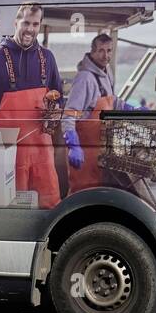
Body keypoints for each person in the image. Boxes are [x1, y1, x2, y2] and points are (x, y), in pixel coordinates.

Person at [0, 2, 64, 208]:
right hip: (6, 158)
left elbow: (59, 97)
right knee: (10, 210)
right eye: (26, 23)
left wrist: (57, 110)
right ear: (16, 23)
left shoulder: (48, 58)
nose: (30, 29)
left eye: (35, 24)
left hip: (42, 157)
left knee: (49, 208)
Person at [61, 32, 123, 193]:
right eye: (101, 50)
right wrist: (74, 145)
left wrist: (131, 109)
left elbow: (111, 100)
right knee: (81, 192)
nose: (105, 55)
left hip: (101, 148)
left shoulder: (107, 73)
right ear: (93, 51)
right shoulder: (85, 78)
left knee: (96, 192)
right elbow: (69, 114)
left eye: (109, 50)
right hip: (84, 150)